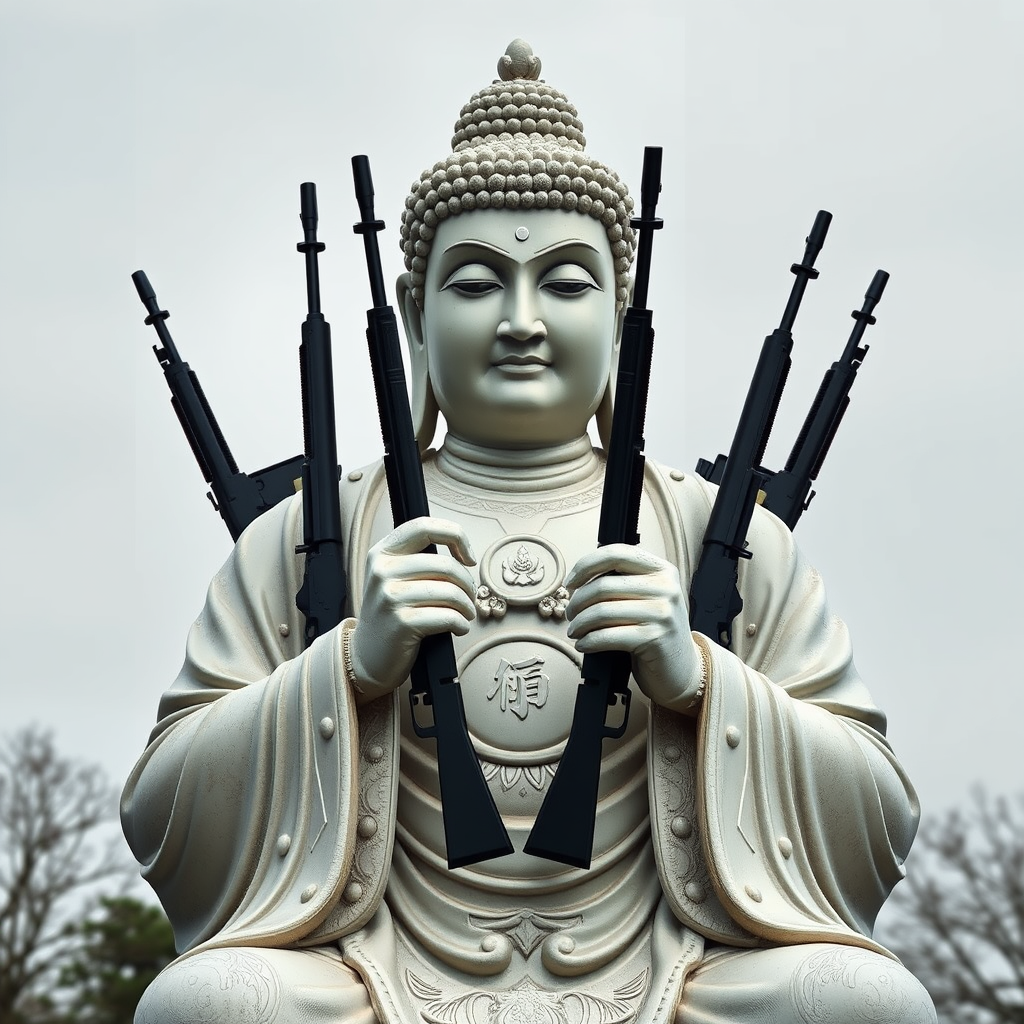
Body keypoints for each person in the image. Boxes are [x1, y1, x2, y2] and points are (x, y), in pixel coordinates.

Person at [124, 39, 936, 1024]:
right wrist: (346, 662)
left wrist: (700, 680)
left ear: (623, 311)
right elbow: (161, 808)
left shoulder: (714, 533)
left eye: (563, 281)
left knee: (861, 999)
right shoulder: (314, 533)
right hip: (375, 969)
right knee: (212, 1003)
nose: (520, 320)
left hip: (667, 965)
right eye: (473, 284)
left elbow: (881, 816)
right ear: (413, 317)